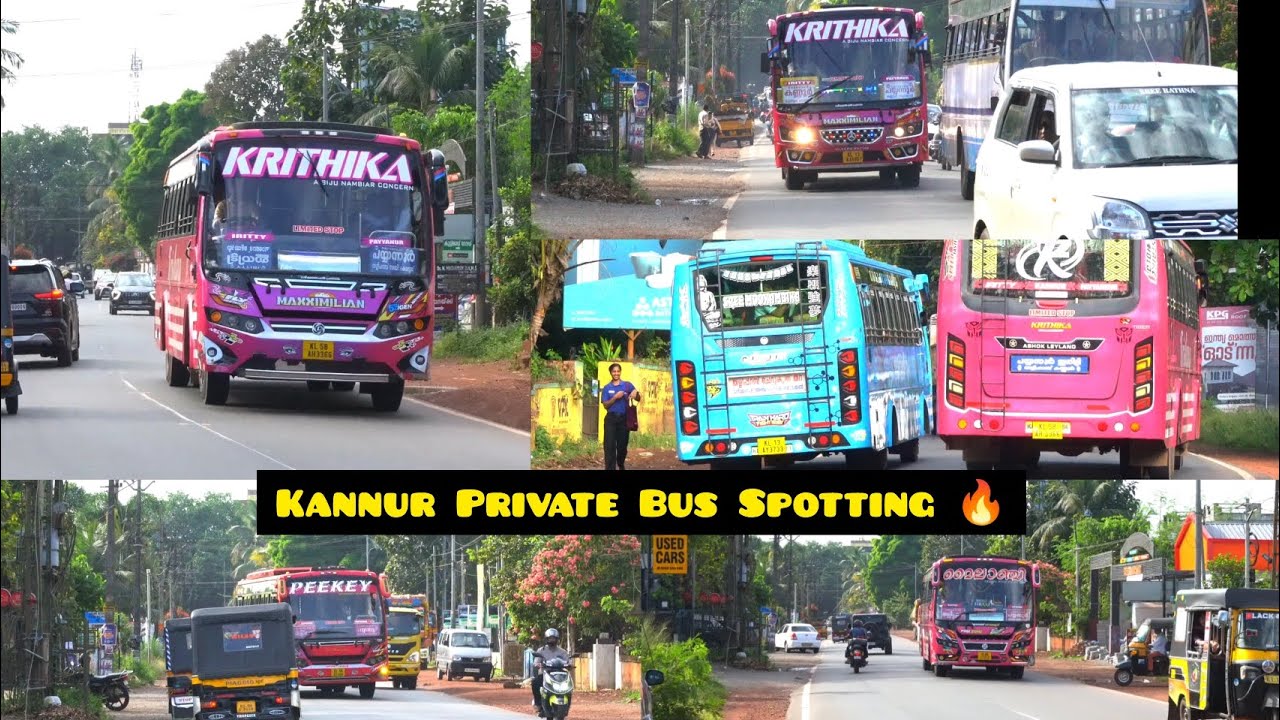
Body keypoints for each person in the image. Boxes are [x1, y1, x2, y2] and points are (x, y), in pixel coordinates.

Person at [600, 363, 639, 470]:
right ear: (611, 373)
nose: (616, 373)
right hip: (611, 419)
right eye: (614, 371)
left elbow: (638, 398)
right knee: (609, 446)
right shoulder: (607, 388)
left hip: (624, 419)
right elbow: (605, 405)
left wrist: (636, 393)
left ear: (620, 372)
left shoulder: (627, 385)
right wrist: (615, 398)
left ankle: (620, 463)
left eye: (618, 371)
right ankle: (610, 468)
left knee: (622, 446)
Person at [531, 628, 571, 717]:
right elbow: (536, 662)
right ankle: (538, 704)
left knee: (569, 687)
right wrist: (538, 664)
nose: (552, 640)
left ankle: (567, 705)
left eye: (554, 638)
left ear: (557, 639)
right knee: (535, 682)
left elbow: (568, 661)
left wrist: (570, 665)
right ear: (546, 639)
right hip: (546, 674)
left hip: (560, 675)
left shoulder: (562, 652)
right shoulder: (541, 650)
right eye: (550, 638)